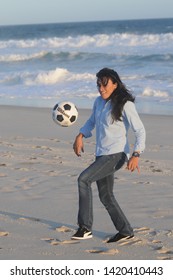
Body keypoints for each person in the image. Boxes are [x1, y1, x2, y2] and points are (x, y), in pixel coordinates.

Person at [72, 68, 146, 243]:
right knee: (106, 196)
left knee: (83, 180)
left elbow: (140, 131)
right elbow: (92, 121)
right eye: (98, 84)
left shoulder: (125, 104)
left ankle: (85, 228)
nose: (101, 88)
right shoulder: (98, 102)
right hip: (102, 155)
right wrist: (80, 135)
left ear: (115, 84)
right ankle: (125, 230)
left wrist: (136, 154)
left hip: (116, 155)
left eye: (105, 84)